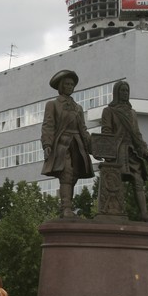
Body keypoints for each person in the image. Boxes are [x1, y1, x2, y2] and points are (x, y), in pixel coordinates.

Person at [100, 80, 148, 223]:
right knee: (114, 181)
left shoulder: (132, 113)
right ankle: (112, 211)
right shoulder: (109, 111)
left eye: (127, 91)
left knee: (138, 180)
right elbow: (106, 131)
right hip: (117, 151)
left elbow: (137, 134)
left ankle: (144, 213)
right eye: (122, 91)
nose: (125, 93)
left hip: (131, 151)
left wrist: (145, 150)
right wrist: (108, 153)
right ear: (116, 93)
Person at [41, 69, 94, 218]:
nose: (70, 86)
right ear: (61, 86)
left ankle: (66, 206)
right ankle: (66, 208)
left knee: (74, 175)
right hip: (62, 145)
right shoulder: (53, 104)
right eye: (67, 84)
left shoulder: (78, 108)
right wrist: (47, 144)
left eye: (72, 84)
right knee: (66, 174)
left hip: (77, 145)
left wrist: (92, 148)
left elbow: (83, 130)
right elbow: (48, 125)